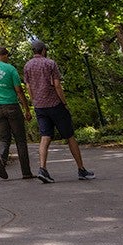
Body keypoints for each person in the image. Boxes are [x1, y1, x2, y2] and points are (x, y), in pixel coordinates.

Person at [22, 40, 95, 183]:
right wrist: (64, 103)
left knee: (45, 136)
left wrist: (34, 101)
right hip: (55, 104)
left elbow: (28, 87)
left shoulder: (27, 66)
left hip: (39, 106)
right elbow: (57, 85)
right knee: (70, 136)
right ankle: (81, 169)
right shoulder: (50, 63)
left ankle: (42, 169)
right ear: (43, 50)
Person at [0, 46, 33, 180]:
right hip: (11, 106)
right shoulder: (10, 69)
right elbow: (19, 91)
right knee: (20, 140)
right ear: (5, 55)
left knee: (3, 137)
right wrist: (26, 109)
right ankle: (26, 172)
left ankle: (1, 158)